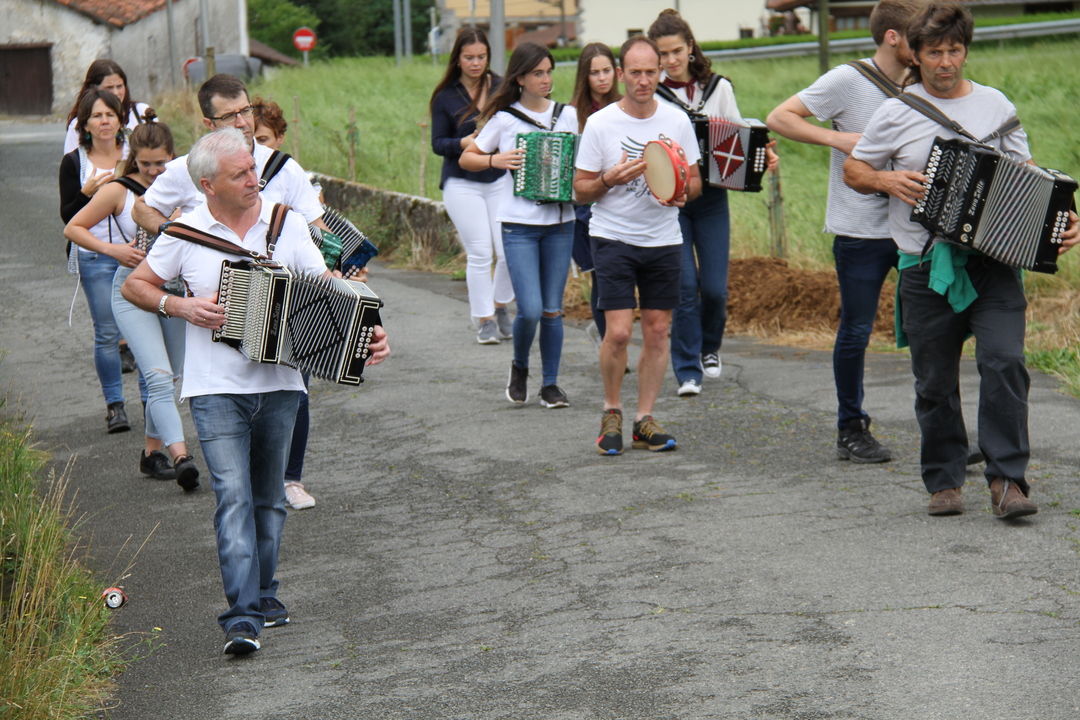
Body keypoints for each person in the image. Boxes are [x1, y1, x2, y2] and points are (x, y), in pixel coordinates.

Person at [122, 128, 390, 654]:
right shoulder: (186, 232)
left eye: (253, 169)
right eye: (241, 173)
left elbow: (327, 284)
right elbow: (137, 284)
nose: (254, 180)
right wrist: (179, 306)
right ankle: (241, 617)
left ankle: (265, 593)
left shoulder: (286, 223)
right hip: (214, 388)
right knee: (233, 497)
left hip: (282, 384)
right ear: (208, 185)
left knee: (268, 500)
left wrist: (371, 327)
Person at [842, 0, 1078, 517]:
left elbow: (1028, 171)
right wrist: (885, 179)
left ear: (965, 51)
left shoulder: (996, 105)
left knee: (1005, 362)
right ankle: (944, 481)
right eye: (934, 53)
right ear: (915, 55)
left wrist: (1060, 217)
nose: (945, 62)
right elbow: (854, 170)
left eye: (954, 51)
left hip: (994, 264)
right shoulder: (896, 111)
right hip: (924, 267)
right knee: (934, 380)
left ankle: (1007, 480)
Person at [766, 0, 923, 463]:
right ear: (892, 37)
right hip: (859, 229)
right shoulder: (847, 80)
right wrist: (839, 138)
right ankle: (850, 429)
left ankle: (944, 432)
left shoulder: (923, 80)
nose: (929, 45)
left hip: (916, 228)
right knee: (856, 330)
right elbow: (779, 117)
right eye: (918, 36)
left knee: (933, 328)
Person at [573, 35, 702, 454]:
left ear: (660, 72)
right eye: (635, 73)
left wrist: (683, 194)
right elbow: (580, 190)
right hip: (613, 237)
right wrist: (608, 179)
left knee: (658, 330)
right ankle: (611, 410)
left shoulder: (677, 120)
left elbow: (696, 180)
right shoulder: (601, 123)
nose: (643, 80)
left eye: (650, 72)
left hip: (663, 239)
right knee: (618, 333)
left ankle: (644, 419)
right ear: (621, 74)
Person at [65, 114, 201, 490]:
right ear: (133, 159)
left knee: (170, 377)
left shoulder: (187, 187)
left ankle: (150, 453)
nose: (154, 172)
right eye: (145, 164)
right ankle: (181, 458)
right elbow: (72, 227)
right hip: (131, 290)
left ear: (173, 157)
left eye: (161, 163)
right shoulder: (120, 190)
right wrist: (114, 250)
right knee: (157, 377)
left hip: (174, 292)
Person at [648, 9, 778, 398]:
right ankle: (688, 370)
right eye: (662, 54)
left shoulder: (718, 89)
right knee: (686, 287)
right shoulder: (653, 95)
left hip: (712, 199)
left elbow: (738, 135)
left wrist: (762, 157)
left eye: (676, 51)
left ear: (690, 48)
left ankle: (710, 347)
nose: (670, 60)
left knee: (715, 289)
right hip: (672, 202)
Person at [459, 42, 577, 408]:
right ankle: (520, 366)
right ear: (521, 78)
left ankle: (550, 385)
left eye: (549, 72)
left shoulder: (568, 115)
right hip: (518, 225)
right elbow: (467, 158)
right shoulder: (505, 119)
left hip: (561, 223)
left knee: (552, 309)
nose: (546, 79)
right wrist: (495, 160)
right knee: (530, 308)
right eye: (538, 73)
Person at [132, 74, 326, 238]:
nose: (242, 122)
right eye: (229, 116)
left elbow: (317, 228)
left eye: (245, 111)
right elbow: (141, 209)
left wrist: (337, 264)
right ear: (209, 124)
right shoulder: (186, 168)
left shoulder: (285, 168)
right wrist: (174, 235)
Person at [250, 98, 317, 510]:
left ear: (278, 139)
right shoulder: (223, 169)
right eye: (250, 137)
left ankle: (292, 478)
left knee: (297, 388)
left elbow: (317, 226)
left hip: (294, 292)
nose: (257, 146)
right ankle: (258, 476)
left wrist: (341, 269)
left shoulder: (287, 171)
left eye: (263, 138)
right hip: (246, 293)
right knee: (249, 390)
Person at [430, 28, 516, 345]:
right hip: (461, 182)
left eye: (481, 56)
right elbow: (438, 143)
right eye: (469, 57)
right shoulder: (445, 96)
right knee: (480, 252)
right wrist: (464, 143)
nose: (476, 63)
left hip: (498, 179)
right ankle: (484, 319)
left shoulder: (503, 87)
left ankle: (500, 305)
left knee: (508, 251)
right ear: (458, 59)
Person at [59, 89, 131, 433]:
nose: (104, 121)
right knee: (106, 332)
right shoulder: (74, 162)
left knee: (144, 329)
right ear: (84, 125)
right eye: (96, 116)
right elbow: (67, 217)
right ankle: (115, 406)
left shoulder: (134, 155)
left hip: (136, 253)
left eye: (110, 115)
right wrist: (85, 193)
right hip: (94, 257)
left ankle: (152, 400)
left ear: (120, 120)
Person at [568, 42, 622, 347]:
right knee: (602, 276)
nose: (602, 78)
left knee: (621, 276)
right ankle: (606, 342)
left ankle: (608, 337)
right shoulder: (573, 114)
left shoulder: (626, 107)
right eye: (594, 73)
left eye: (606, 71)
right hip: (587, 207)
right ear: (584, 76)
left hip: (622, 202)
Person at [63, 59, 150, 155]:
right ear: (93, 88)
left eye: (119, 86)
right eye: (109, 87)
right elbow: (71, 161)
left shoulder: (142, 112)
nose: (116, 93)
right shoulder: (78, 123)